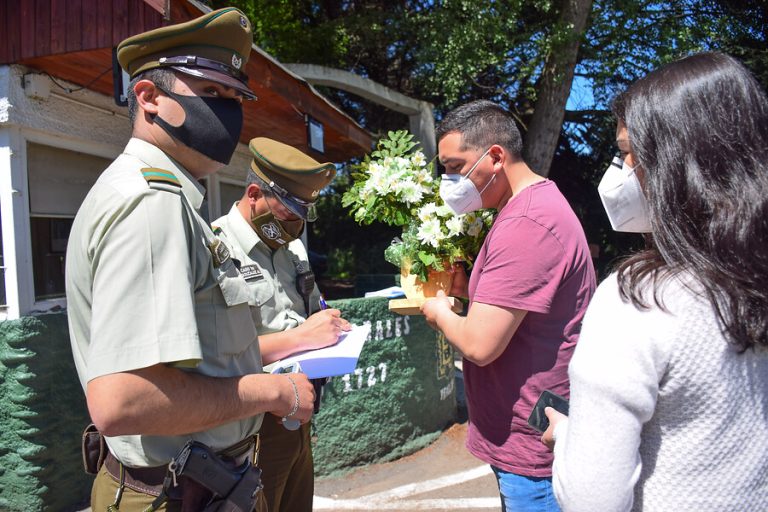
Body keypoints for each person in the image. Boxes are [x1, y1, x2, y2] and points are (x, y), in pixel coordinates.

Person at [65, 8, 315, 511]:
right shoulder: (151, 203)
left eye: (233, 98)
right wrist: (272, 394)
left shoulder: (173, 200)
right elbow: (123, 401)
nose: (227, 113)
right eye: (210, 94)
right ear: (149, 98)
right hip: (177, 494)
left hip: (201, 486)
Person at [541, 52, 768, 512]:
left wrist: (567, 435)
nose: (619, 174)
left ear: (676, 163)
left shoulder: (638, 300)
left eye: (627, 153)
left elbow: (593, 500)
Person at [421, 100, 596, 512]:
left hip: (533, 448)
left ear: (495, 156)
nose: (448, 180)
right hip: (535, 429)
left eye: (454, 166)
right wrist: (470, 292)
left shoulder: (526, 223)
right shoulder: (528, 207)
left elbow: (481, 344)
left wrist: (440, 312)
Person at [211, 137, 351, 512]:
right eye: (289, 213)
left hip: (299, 413)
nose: (296, 224)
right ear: (254, 194)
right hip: (249, 427)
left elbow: (312, 307)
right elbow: (217, 354)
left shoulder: (291, 251)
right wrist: (302, 337)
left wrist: (329, 322)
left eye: (303, 215)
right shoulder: (215, 252)